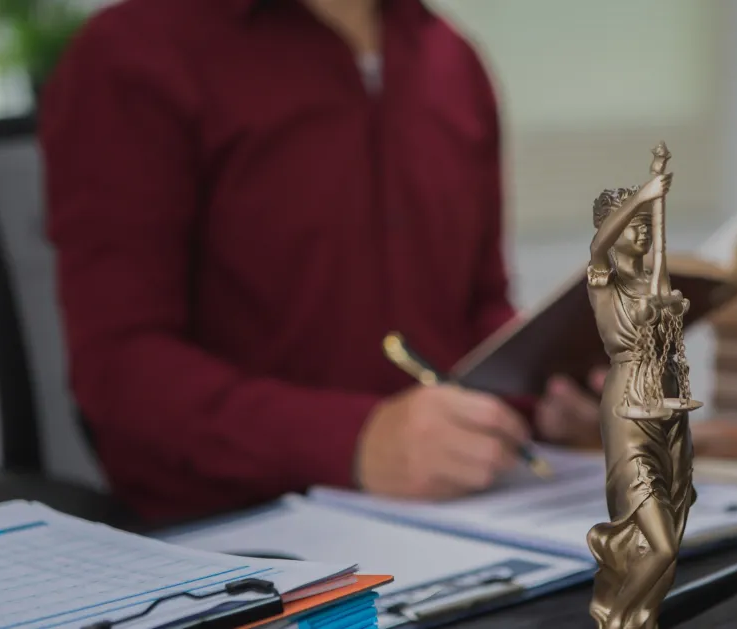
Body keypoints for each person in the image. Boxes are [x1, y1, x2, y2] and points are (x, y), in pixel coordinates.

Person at [40, 0, 604, 523]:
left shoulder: (449, 57)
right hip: (242, 533)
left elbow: (475, 308)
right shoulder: (137, 52)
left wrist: (546, 400)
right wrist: (355, 442)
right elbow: (119, 365)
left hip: (465, 511)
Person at [583, 170, 698, 629]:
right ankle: (617, 617)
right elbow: (596, 247)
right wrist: (643, 196)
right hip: (628, 407)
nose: (644, 228)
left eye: (648, 221)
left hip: (669, 406)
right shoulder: (603, 281)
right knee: (660, 539)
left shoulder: (653, 280)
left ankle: (643, 616)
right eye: (634, 223)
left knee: (674, 524)